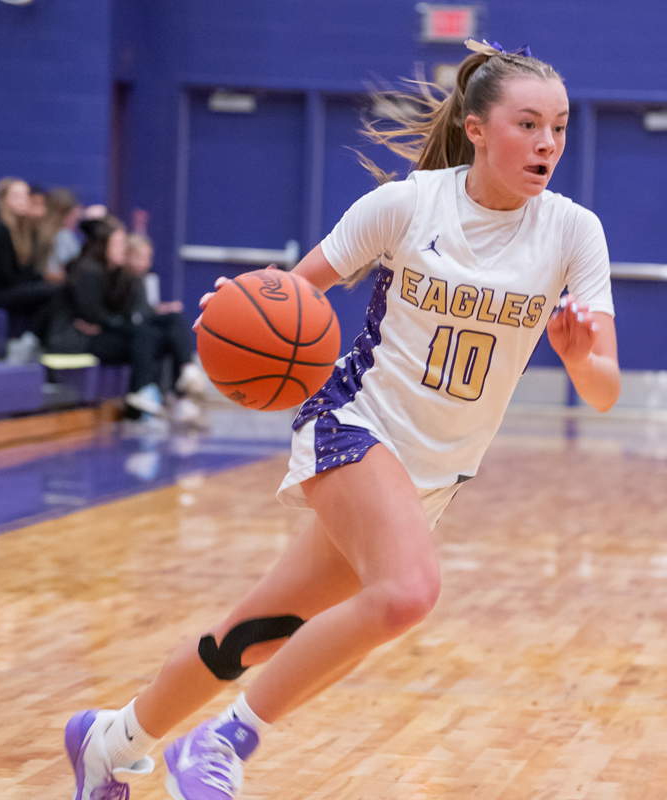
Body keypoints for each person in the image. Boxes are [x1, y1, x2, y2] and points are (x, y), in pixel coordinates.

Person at [62, 38, 618, 800]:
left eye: (558, 126)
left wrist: (582, 355)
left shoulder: (572, 232)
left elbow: (604, 391)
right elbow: (292, 293)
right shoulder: (406, 206)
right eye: (528, 124)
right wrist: (239, 309)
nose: (548, 143)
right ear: (479, 128)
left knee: (253, 637)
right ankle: (223, 742)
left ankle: (112, 738)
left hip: (435, 474)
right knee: (407, 592)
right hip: (355, 427)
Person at [44, 216, 179, 418]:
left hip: (96, 334)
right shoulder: (88, 270)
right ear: (103, 244)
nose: (122, 249)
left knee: (154, 334)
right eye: (117, 244)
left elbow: (119, 312)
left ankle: (153, 391)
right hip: (74, 339)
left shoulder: (115, 272)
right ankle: (141, 392)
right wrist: (113, 324)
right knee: (143, 335)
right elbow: (93, 315)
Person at [124, 232, 208, 424]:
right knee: (171, 324)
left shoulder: (148, 278)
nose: (144, 262)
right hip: (134, 329)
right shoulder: (126, 280)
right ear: (127, 256)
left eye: (148, 257)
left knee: (174, 322)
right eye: (139, 257)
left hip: (145, 325)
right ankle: (186, 375)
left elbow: (148, 308)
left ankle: (184, 387)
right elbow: (134, 314)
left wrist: (163, 308)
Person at [0, 177, 59, 331]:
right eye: (17, 196)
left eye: (25, 195)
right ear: (3, 199)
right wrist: (41, 279)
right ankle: (37, 338)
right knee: (53, 291)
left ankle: (30, 336)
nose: (23, 200)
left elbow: (23, 271)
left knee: (52, 288)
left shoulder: (19, 230)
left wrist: (41, 278)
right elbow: (5, 278)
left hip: (5, 289)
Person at [36, 188, 81, 283]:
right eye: (72, 215)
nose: (75, 220)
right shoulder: (63, 235)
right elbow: (64, 269)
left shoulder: (43, 233)